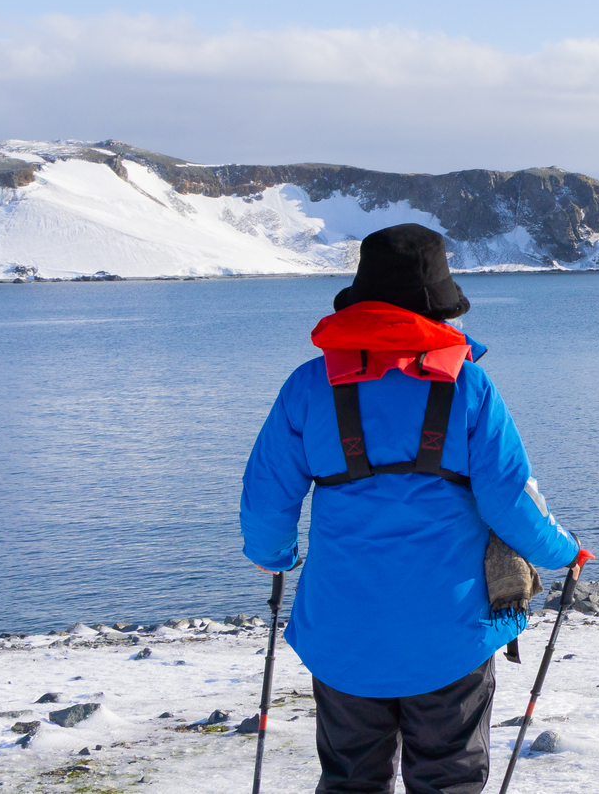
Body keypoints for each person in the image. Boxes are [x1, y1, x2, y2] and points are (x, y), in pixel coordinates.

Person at [240, 223, 580, 794]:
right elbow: (510, 500)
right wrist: (564, 551)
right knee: (448, 779)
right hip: (450, 633)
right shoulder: (469, 387)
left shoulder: (308, 386)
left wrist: (274, 556)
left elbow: (266, 498)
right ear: (440, 309)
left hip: (341, 630)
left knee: (350, 780)